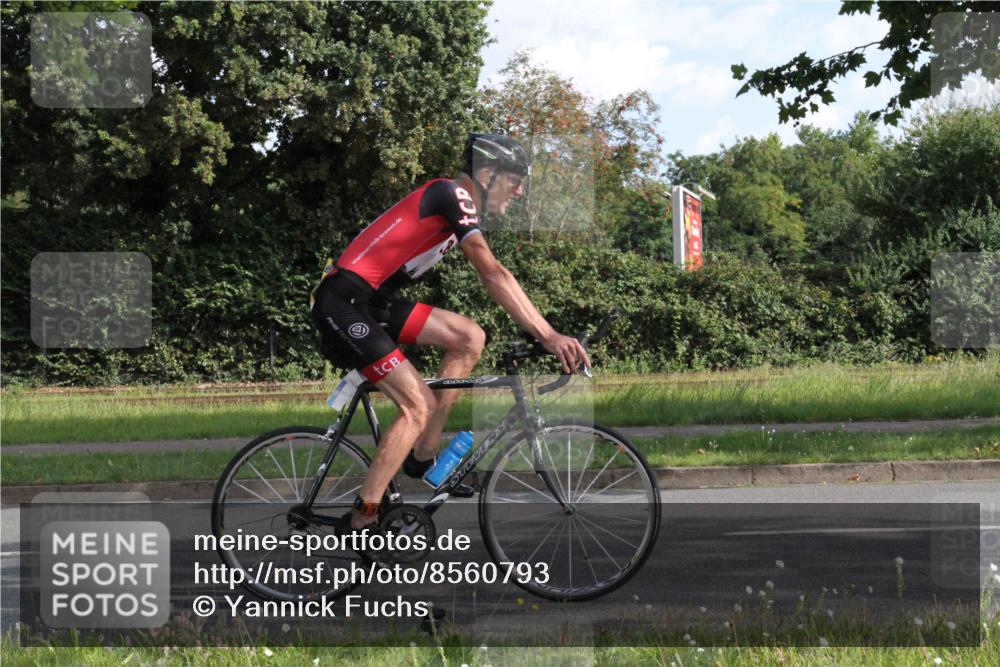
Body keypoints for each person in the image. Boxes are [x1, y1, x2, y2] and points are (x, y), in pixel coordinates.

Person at [310, 133, 590, 536]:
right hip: (343, 303)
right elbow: (493, 272)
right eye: (515, 179)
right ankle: (364, 515)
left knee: (469, 337)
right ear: (488, 174)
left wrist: (545, 332)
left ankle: (423, 456)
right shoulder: (452, 194)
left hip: (372, 304)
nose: (520, 189)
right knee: (417, 405)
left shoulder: (456, 204)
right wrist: (547, 334)